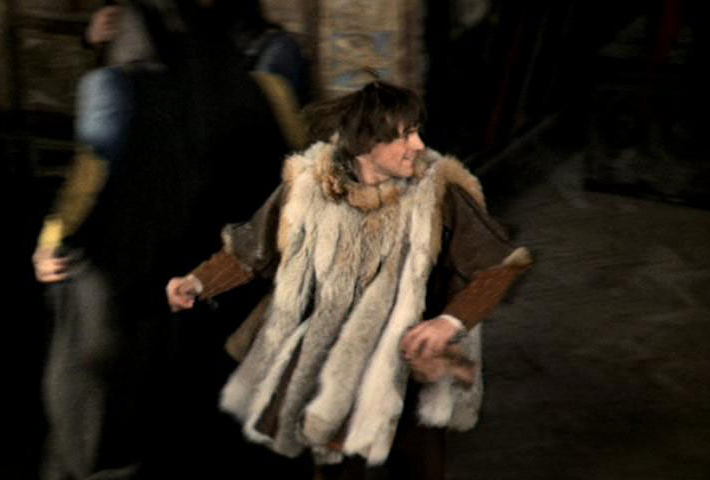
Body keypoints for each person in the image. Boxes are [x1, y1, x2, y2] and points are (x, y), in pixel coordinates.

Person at [166, 80, 532, 479]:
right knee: (336, 460)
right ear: (366, 144)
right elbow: (253, 249)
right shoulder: (308, 187)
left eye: (416, 131)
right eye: (403, 135)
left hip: (407, 357)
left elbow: (501, 266)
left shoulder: (436, 192)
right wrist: (199, 282)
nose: (417, 144)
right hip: (333, 357)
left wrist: (449, 322)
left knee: (415, 461)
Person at [32, 1, 294, 478]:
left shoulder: (114, 86)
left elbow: (92, 171)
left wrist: (52, 238)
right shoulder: (256, 87)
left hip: (134, 266)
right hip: (221, 275)